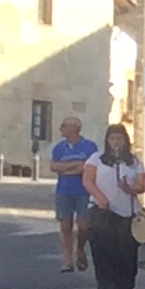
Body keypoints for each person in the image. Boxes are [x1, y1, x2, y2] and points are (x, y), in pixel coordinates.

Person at [84, 126, 145, 289]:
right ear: (107, 141)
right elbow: (88, 180)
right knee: (104, 255)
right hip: (102, 212)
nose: (116, 142)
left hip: (127, 214)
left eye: (119, 138)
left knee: (127, 257)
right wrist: (100, 198)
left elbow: (141, 186)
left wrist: (130, 189)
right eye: (112, 139)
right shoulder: (96, 159)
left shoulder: (134, 162)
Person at [48, 116, 95, 274]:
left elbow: (87, 167)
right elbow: (54, 166)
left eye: (64, 126)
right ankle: (67, 259)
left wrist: (66, 168)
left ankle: (80, 249)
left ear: (75, 128)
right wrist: (75, 166)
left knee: (84, 226)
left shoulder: (89, 146)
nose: (60, 128)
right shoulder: (59, 147)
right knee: (65, 225)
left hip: (84, 191)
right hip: (64, 191)